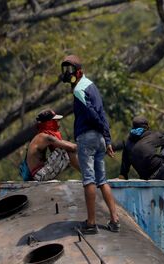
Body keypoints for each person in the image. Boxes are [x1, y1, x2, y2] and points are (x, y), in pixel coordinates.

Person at [61, 55, 120, 234]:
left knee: (89, 180)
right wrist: (107, 139)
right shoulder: (91, 86)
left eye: (70, 70)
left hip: (88, 138)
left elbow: (93, 114)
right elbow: (102, 114)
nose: (67, 74)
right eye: (65, 70)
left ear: (78, 72)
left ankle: (91, 223)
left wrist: (99, 131)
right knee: (102, 180)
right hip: (100, 139)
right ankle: (114, 219)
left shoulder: (79, 90)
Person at [19, 109, 79, 181]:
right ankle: (89, 175)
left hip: (39, 174)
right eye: (55, 120)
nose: (58, 122)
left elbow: (64, 143)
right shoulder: (44, 137)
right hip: (39, 176)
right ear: (49, 122)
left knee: (66, 149)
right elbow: (71, 147)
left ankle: (89, 174)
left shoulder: (41, 136)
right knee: (66, 151)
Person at [119, 116, 164, 180]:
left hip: (145, 177)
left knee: (128, 154)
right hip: (161, 173)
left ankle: (122, 176)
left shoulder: (127, 142)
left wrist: (123, 175)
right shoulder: (153, 135)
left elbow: (125, 162)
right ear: (146, 126)